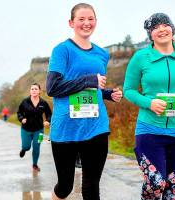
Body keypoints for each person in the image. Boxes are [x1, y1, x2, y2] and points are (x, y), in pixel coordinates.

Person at [123, 13, 175, 200]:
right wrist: (149, 103)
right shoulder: (140, 57)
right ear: (150, 34)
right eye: (155, 27)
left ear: (172, 29)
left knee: (172, 187)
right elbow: (128, 90)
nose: (161, 29)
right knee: (155, 182)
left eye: (165, 25)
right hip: (149, 130)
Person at [46, 3, 122, 200]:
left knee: (91, 186)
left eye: (91, 19)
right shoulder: (62, 50)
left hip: (95, 126)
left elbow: (91, 88)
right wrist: (89, 80)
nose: (86, 23)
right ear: (71, 23)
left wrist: (107, 93)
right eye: (81, 19)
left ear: (96, 22)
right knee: (65, 187)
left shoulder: (102, 54)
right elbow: (53, 88)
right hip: (66, 128)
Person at [17, 83, 52, 172]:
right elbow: (19, 113)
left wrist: (48, 121)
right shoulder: (25, 102)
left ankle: (35, 165)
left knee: (37, 147)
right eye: (32, 89)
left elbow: (49, 114)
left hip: (39, 129)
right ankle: (24, 149)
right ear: (30, 91)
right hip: (26, 129)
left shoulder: (43, 103)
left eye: (36, 89)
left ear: (39, 91)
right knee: (27, 146)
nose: (34, 90)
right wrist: (21, 119)